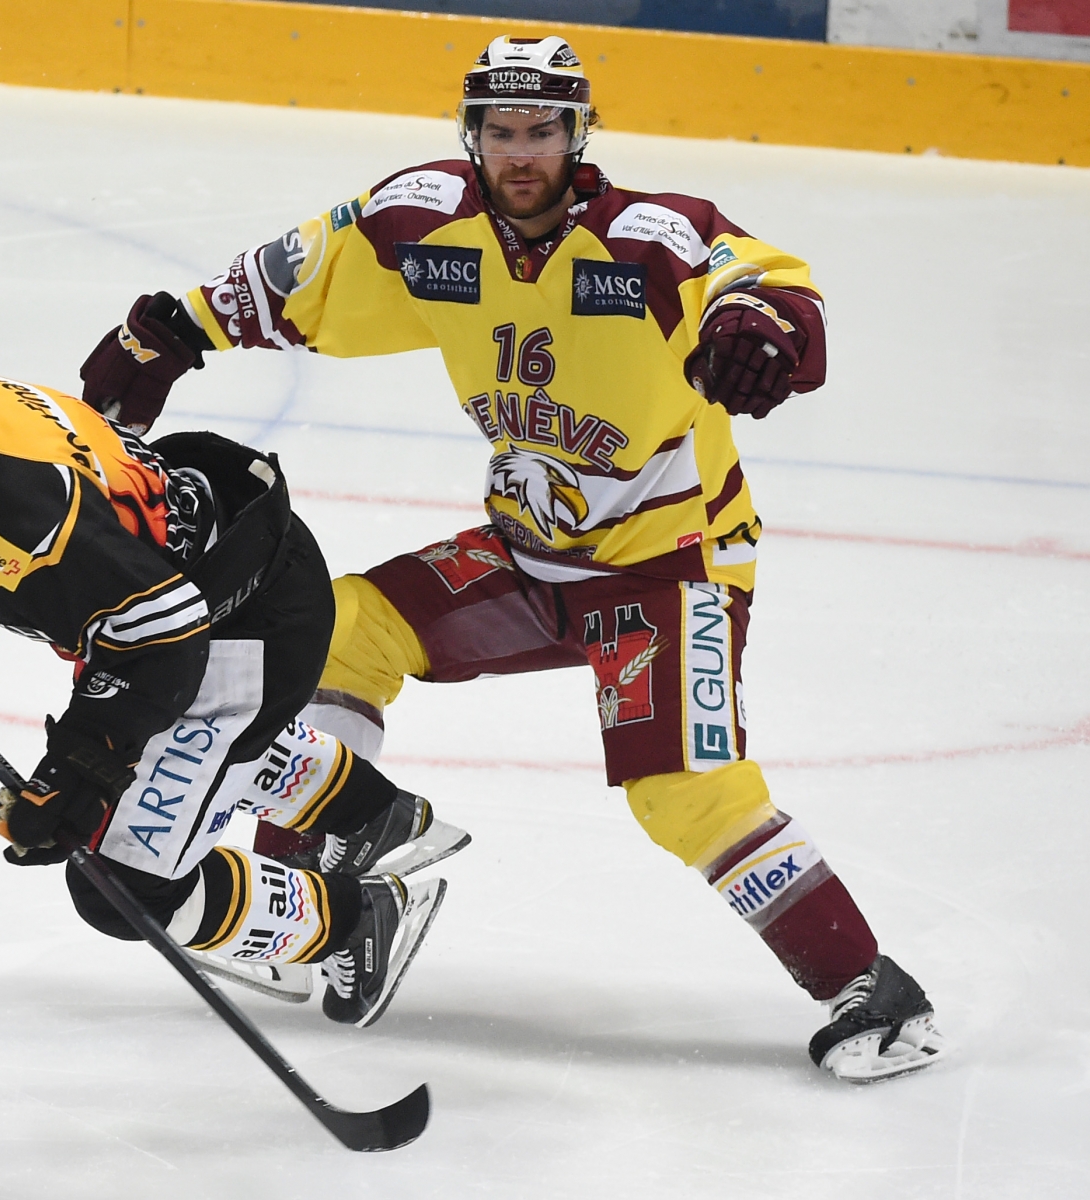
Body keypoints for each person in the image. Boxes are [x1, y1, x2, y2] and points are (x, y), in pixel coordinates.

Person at [77, 35, 945, 1080]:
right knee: (338, 631)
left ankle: (866, 988)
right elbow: (297, 271)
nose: (519, 151)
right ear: (470, 134)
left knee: (682, 790)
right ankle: (312, 887)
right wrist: (164, 333)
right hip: (527, 555)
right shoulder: (424, 225)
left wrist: (769, 323)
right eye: (499, 130)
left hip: (666, 568)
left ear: (579, 135)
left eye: (542, 130)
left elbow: (755, 278)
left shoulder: (647, 242)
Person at [0, 324, 467, 1026]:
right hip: (191, 572)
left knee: (122, 886)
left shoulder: (26, 515)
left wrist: (77, 777)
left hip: (236, 626)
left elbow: (162, 649)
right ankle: (371, 812)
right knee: (188, 748)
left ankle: (354, 919)